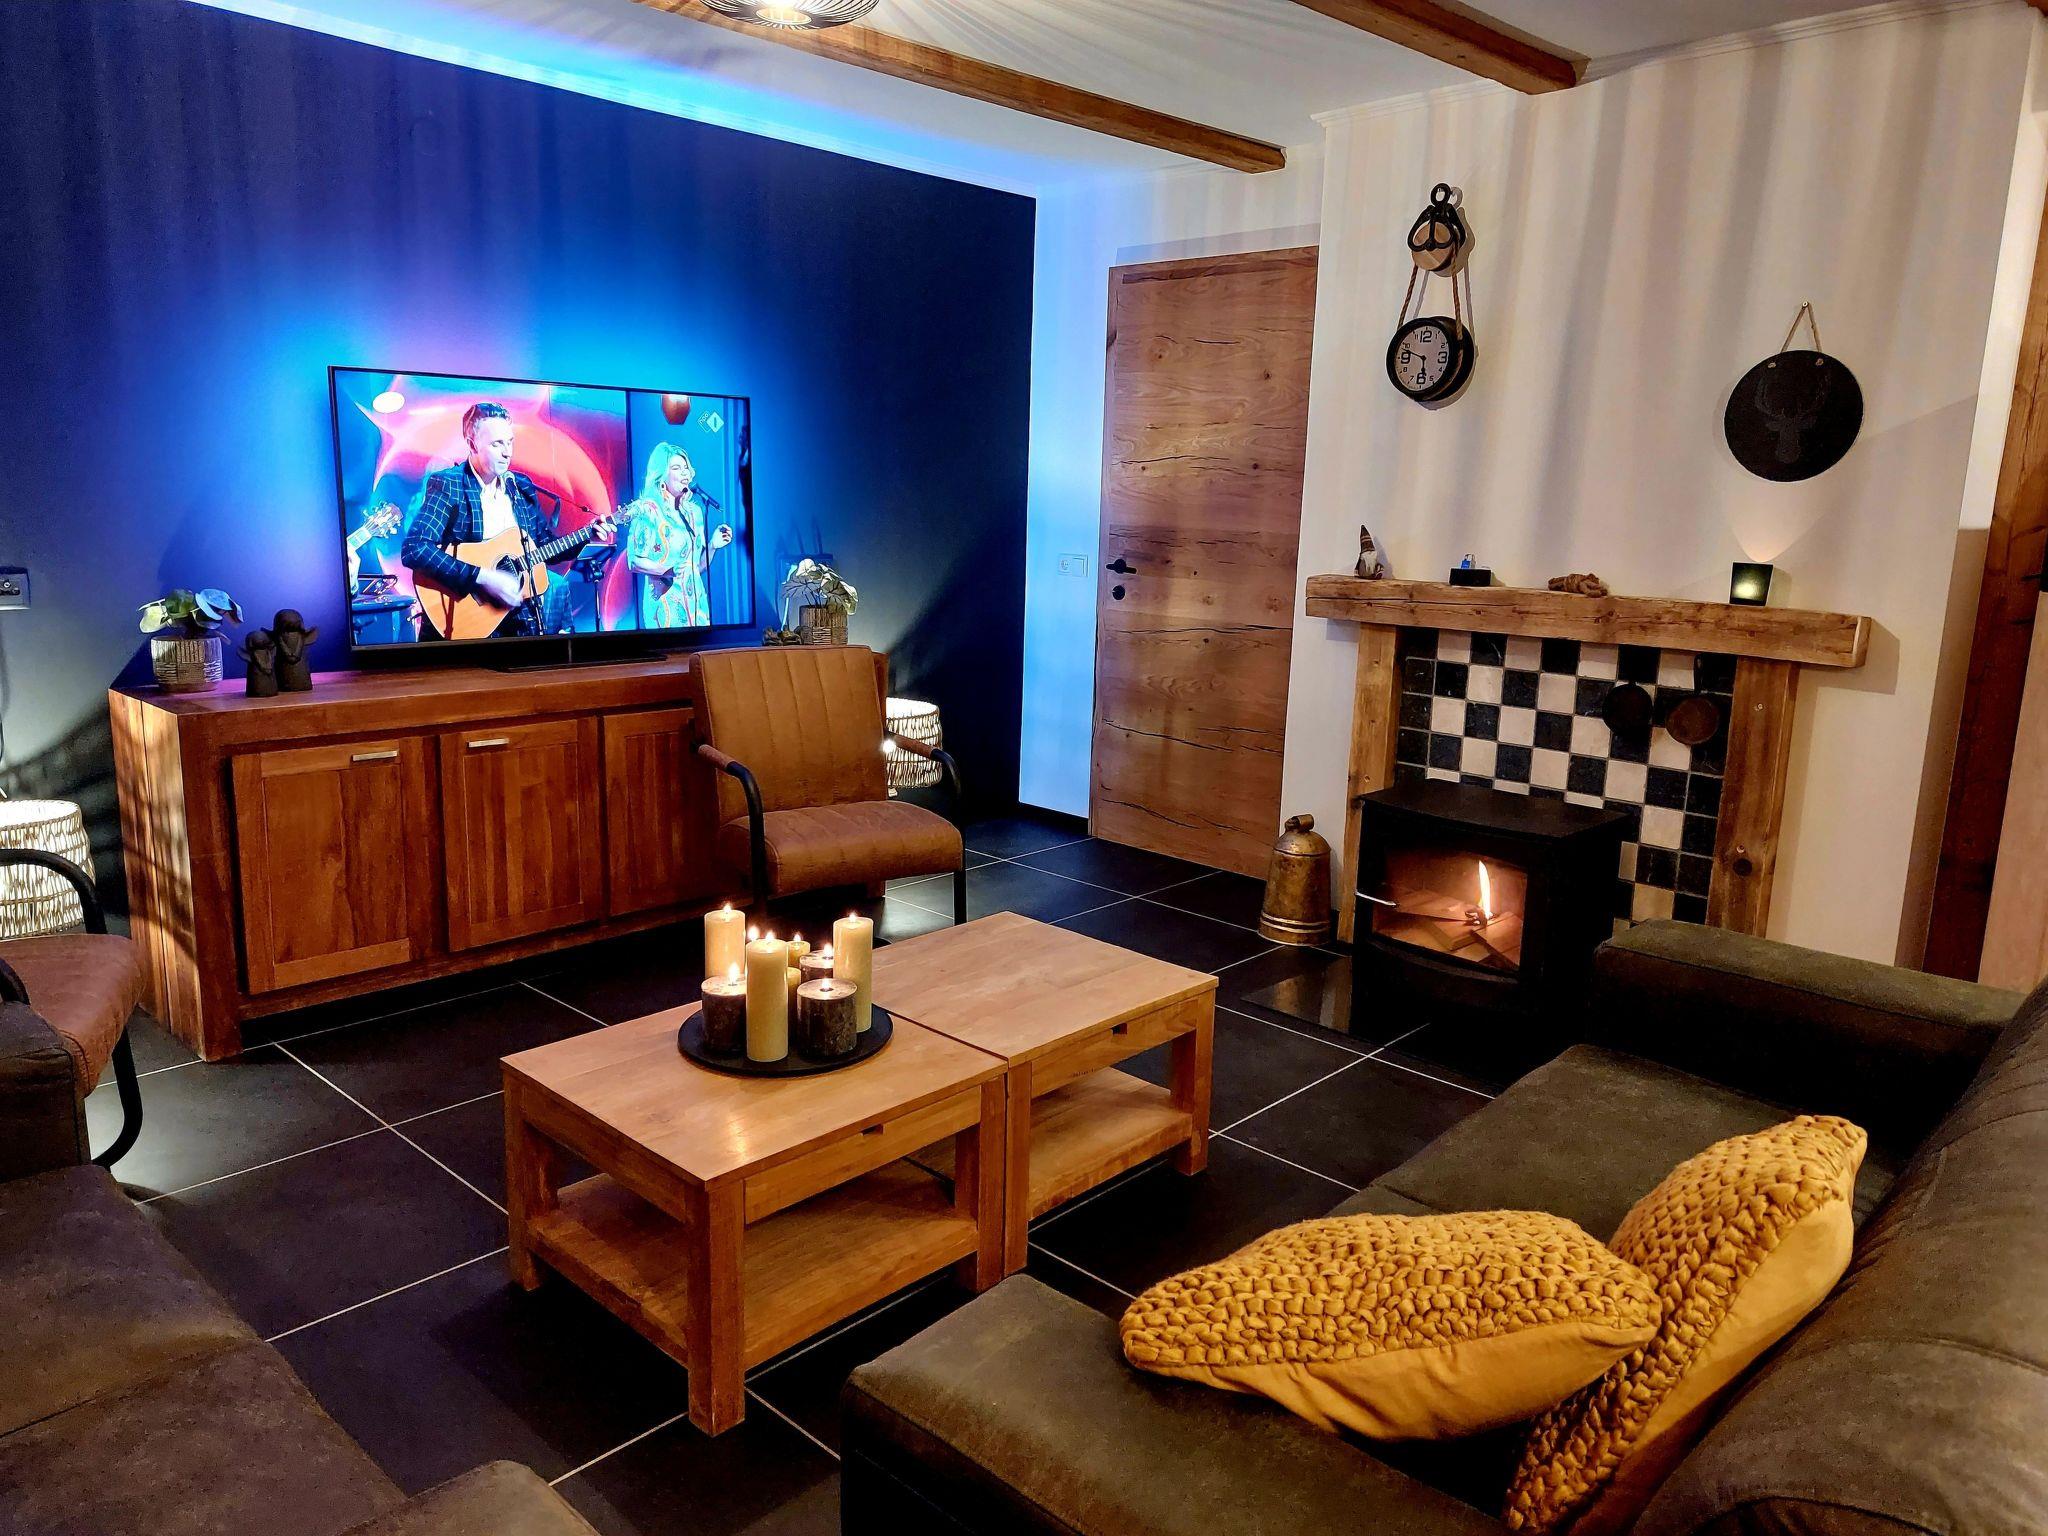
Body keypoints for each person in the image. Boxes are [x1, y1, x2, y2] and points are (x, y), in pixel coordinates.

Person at [401, 402, 612, 639]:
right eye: (497, 444)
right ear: (472, 444)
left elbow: (544, 547)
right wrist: (483, 577)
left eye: (510, 442)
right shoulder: (449, 484)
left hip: (517, 623)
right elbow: (415, 549)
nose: (507, 452)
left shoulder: (520, 487)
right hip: (465, 618)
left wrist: (587, 535)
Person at [626, 443, 732, 630]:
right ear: (661, 475)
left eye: (686, 467)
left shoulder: (694, 513)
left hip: (696, 606)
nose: (684, 473)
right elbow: (634, 561)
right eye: (676, 468)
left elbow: (696, 568)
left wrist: (713, 545)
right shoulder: (649, 511)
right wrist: (667, 570)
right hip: (666, 605)